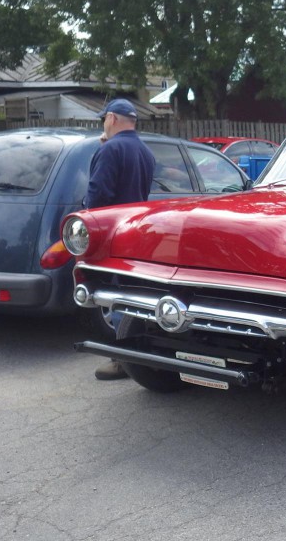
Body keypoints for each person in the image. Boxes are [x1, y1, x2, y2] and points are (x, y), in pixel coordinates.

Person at [85, 98, 156, 380]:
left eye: (104, 119)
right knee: (135, 294)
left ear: (112, 118)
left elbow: (98, 195)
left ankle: (121, 359)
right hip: (136, 232)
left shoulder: (110, 150)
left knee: (115, 296)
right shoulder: (146, 152)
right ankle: (137, 355)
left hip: (111, 234)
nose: (103, 124)